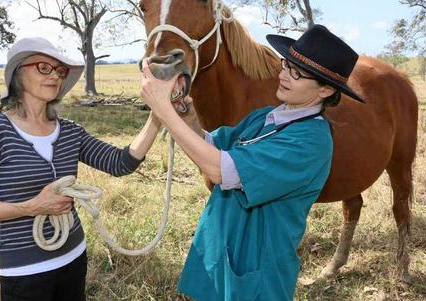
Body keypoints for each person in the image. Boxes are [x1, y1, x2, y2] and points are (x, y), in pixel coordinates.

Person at [140, 25, 365, 300]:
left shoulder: (310, 142)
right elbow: (212, 146)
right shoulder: (266, 116)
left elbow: (219, 170)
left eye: (297, 73)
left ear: (325, 90)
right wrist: (185, 115)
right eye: (286, 64)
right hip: (223, 250)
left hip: (259, 270)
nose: (283, 75)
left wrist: (163, 110)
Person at [0, 37, 161, 300]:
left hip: (73, 258)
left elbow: (120, 163)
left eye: (60, 71)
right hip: (24, 271)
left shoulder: (69, 132)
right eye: (44, 67)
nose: (55, 76)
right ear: (19, 72)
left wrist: (158, 114)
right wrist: (32, 207)